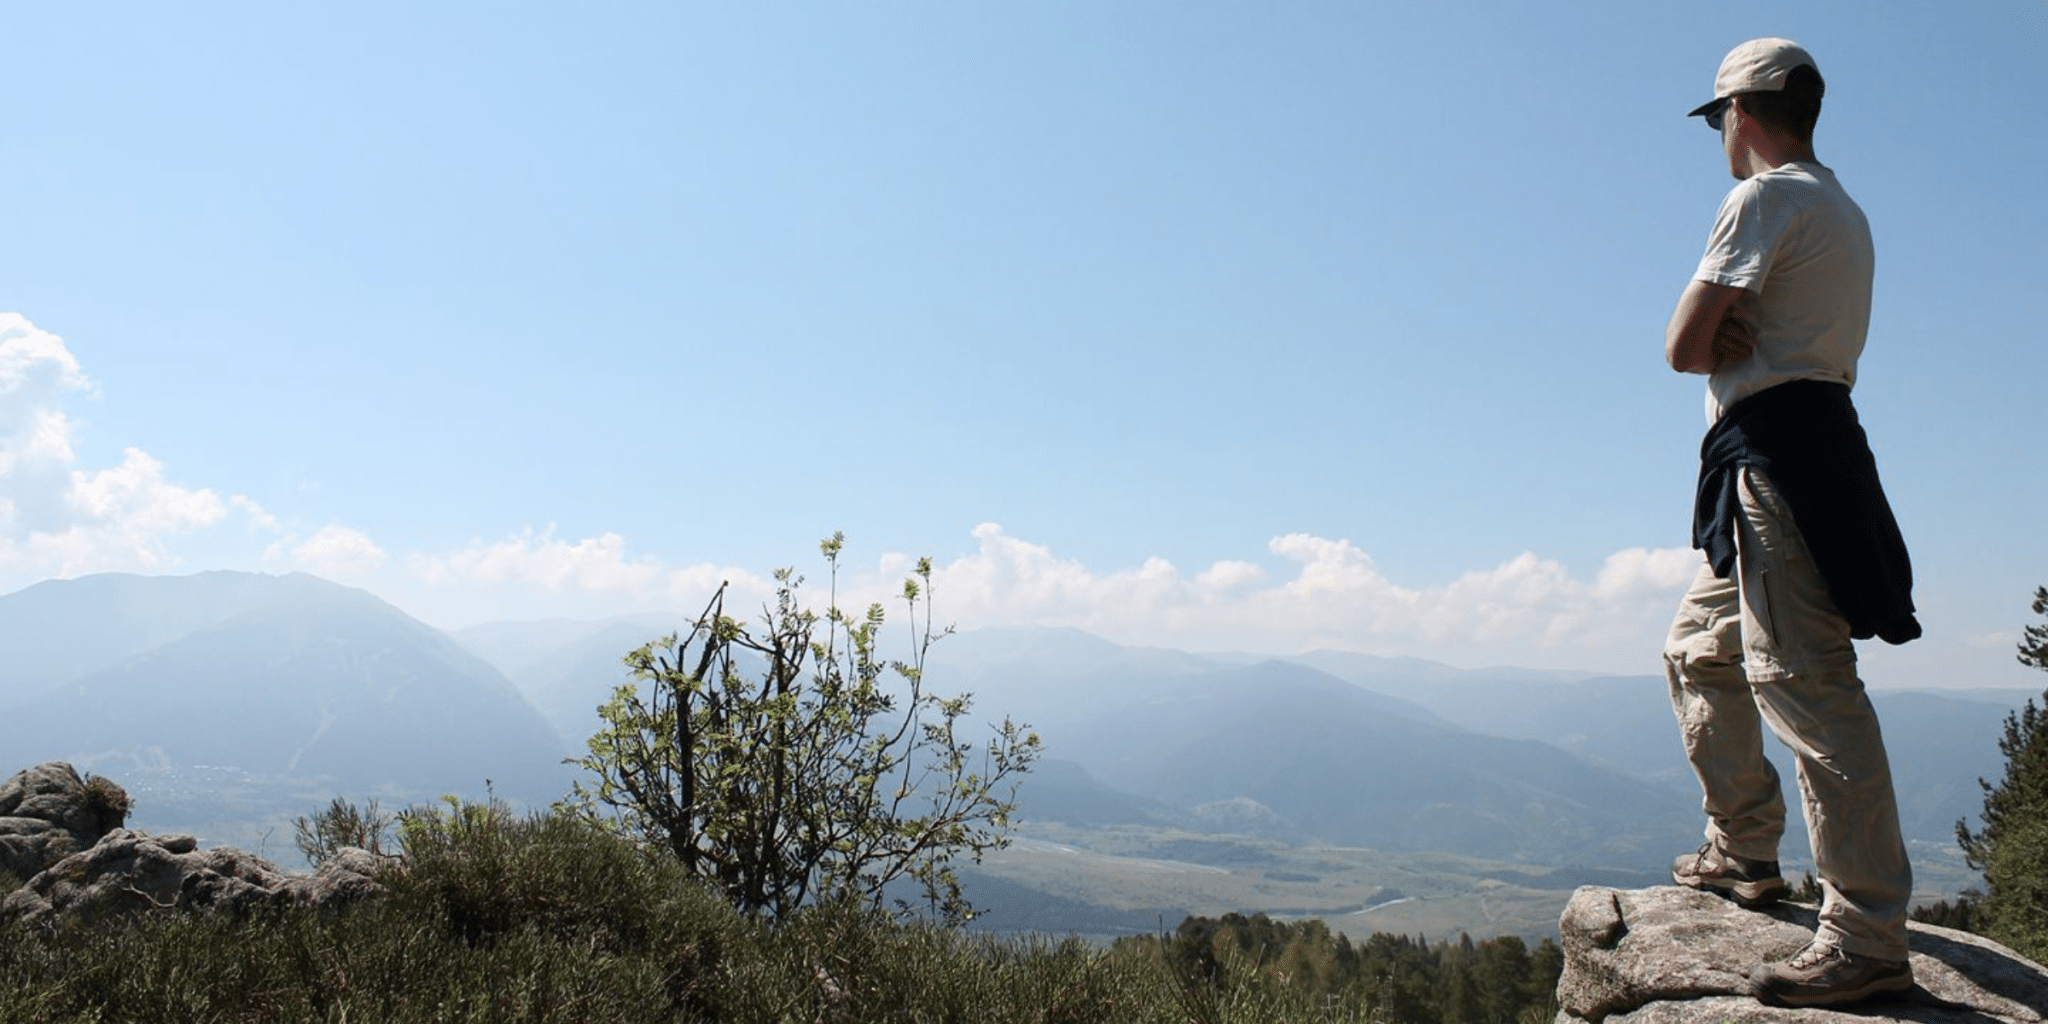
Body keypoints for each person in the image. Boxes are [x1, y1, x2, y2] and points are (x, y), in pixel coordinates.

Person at [1661, 38, 1920, 1008]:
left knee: (1804, 686)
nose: (1716, 136)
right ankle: (1740, 851)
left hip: (1776, 460)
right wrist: (1726, 331)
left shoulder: (1765, 198)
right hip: (1790, 453)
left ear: (1742, 110)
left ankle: (1863, 935)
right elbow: (1710, 341)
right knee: (1696, 649)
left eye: (1716, 117)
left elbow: (1682, 344)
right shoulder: (1838, 207)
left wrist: (1715, 332)